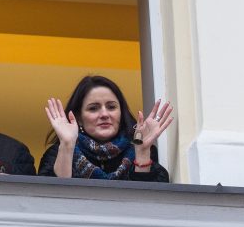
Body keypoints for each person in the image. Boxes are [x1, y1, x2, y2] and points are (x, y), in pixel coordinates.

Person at [38, 75, 173, 181]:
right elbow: (52, 200)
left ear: (121, 112)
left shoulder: (141, 150)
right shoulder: (57, 153)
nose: (104, 114)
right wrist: (67, 146)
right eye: (93, 108)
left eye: (111, 107)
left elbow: (151, 204)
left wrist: (143, 153)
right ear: (78, 117)